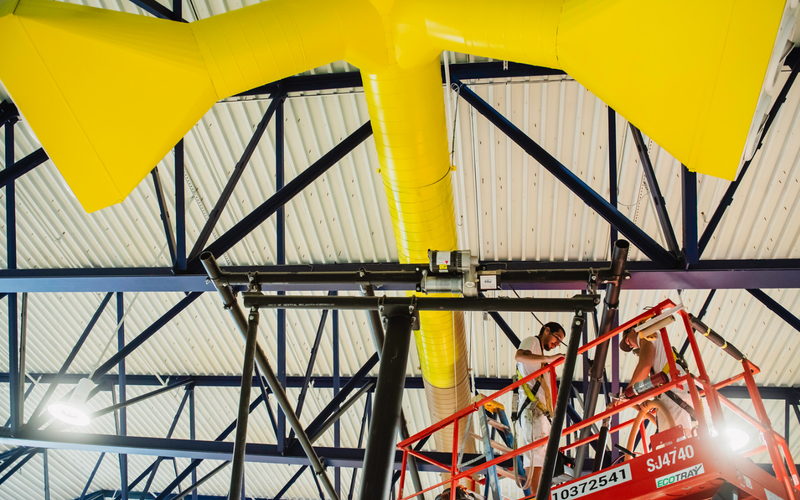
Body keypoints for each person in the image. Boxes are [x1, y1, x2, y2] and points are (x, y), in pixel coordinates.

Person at [514, 321, 566, 492]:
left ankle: (541, 494)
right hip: (532, 407)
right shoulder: (533, 341)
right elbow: (519, 356)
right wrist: (548, 359)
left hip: (539, 410)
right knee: (536, 454)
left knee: (541, 454)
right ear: (546, 330)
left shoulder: (540, 354)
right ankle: (537, 495)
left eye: (560, 342)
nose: (557, 343)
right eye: (557, 338)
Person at [619, 323, 695, 436]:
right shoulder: (658, 350)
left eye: (627, 340)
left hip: (674, 392)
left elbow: (644, 366)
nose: (631, 346)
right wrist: (638, 400)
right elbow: (653, 384)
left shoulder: (645, 334)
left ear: (633, 330)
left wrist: (627, 393)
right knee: (681, 437)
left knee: (675, 441)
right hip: (676, 393)